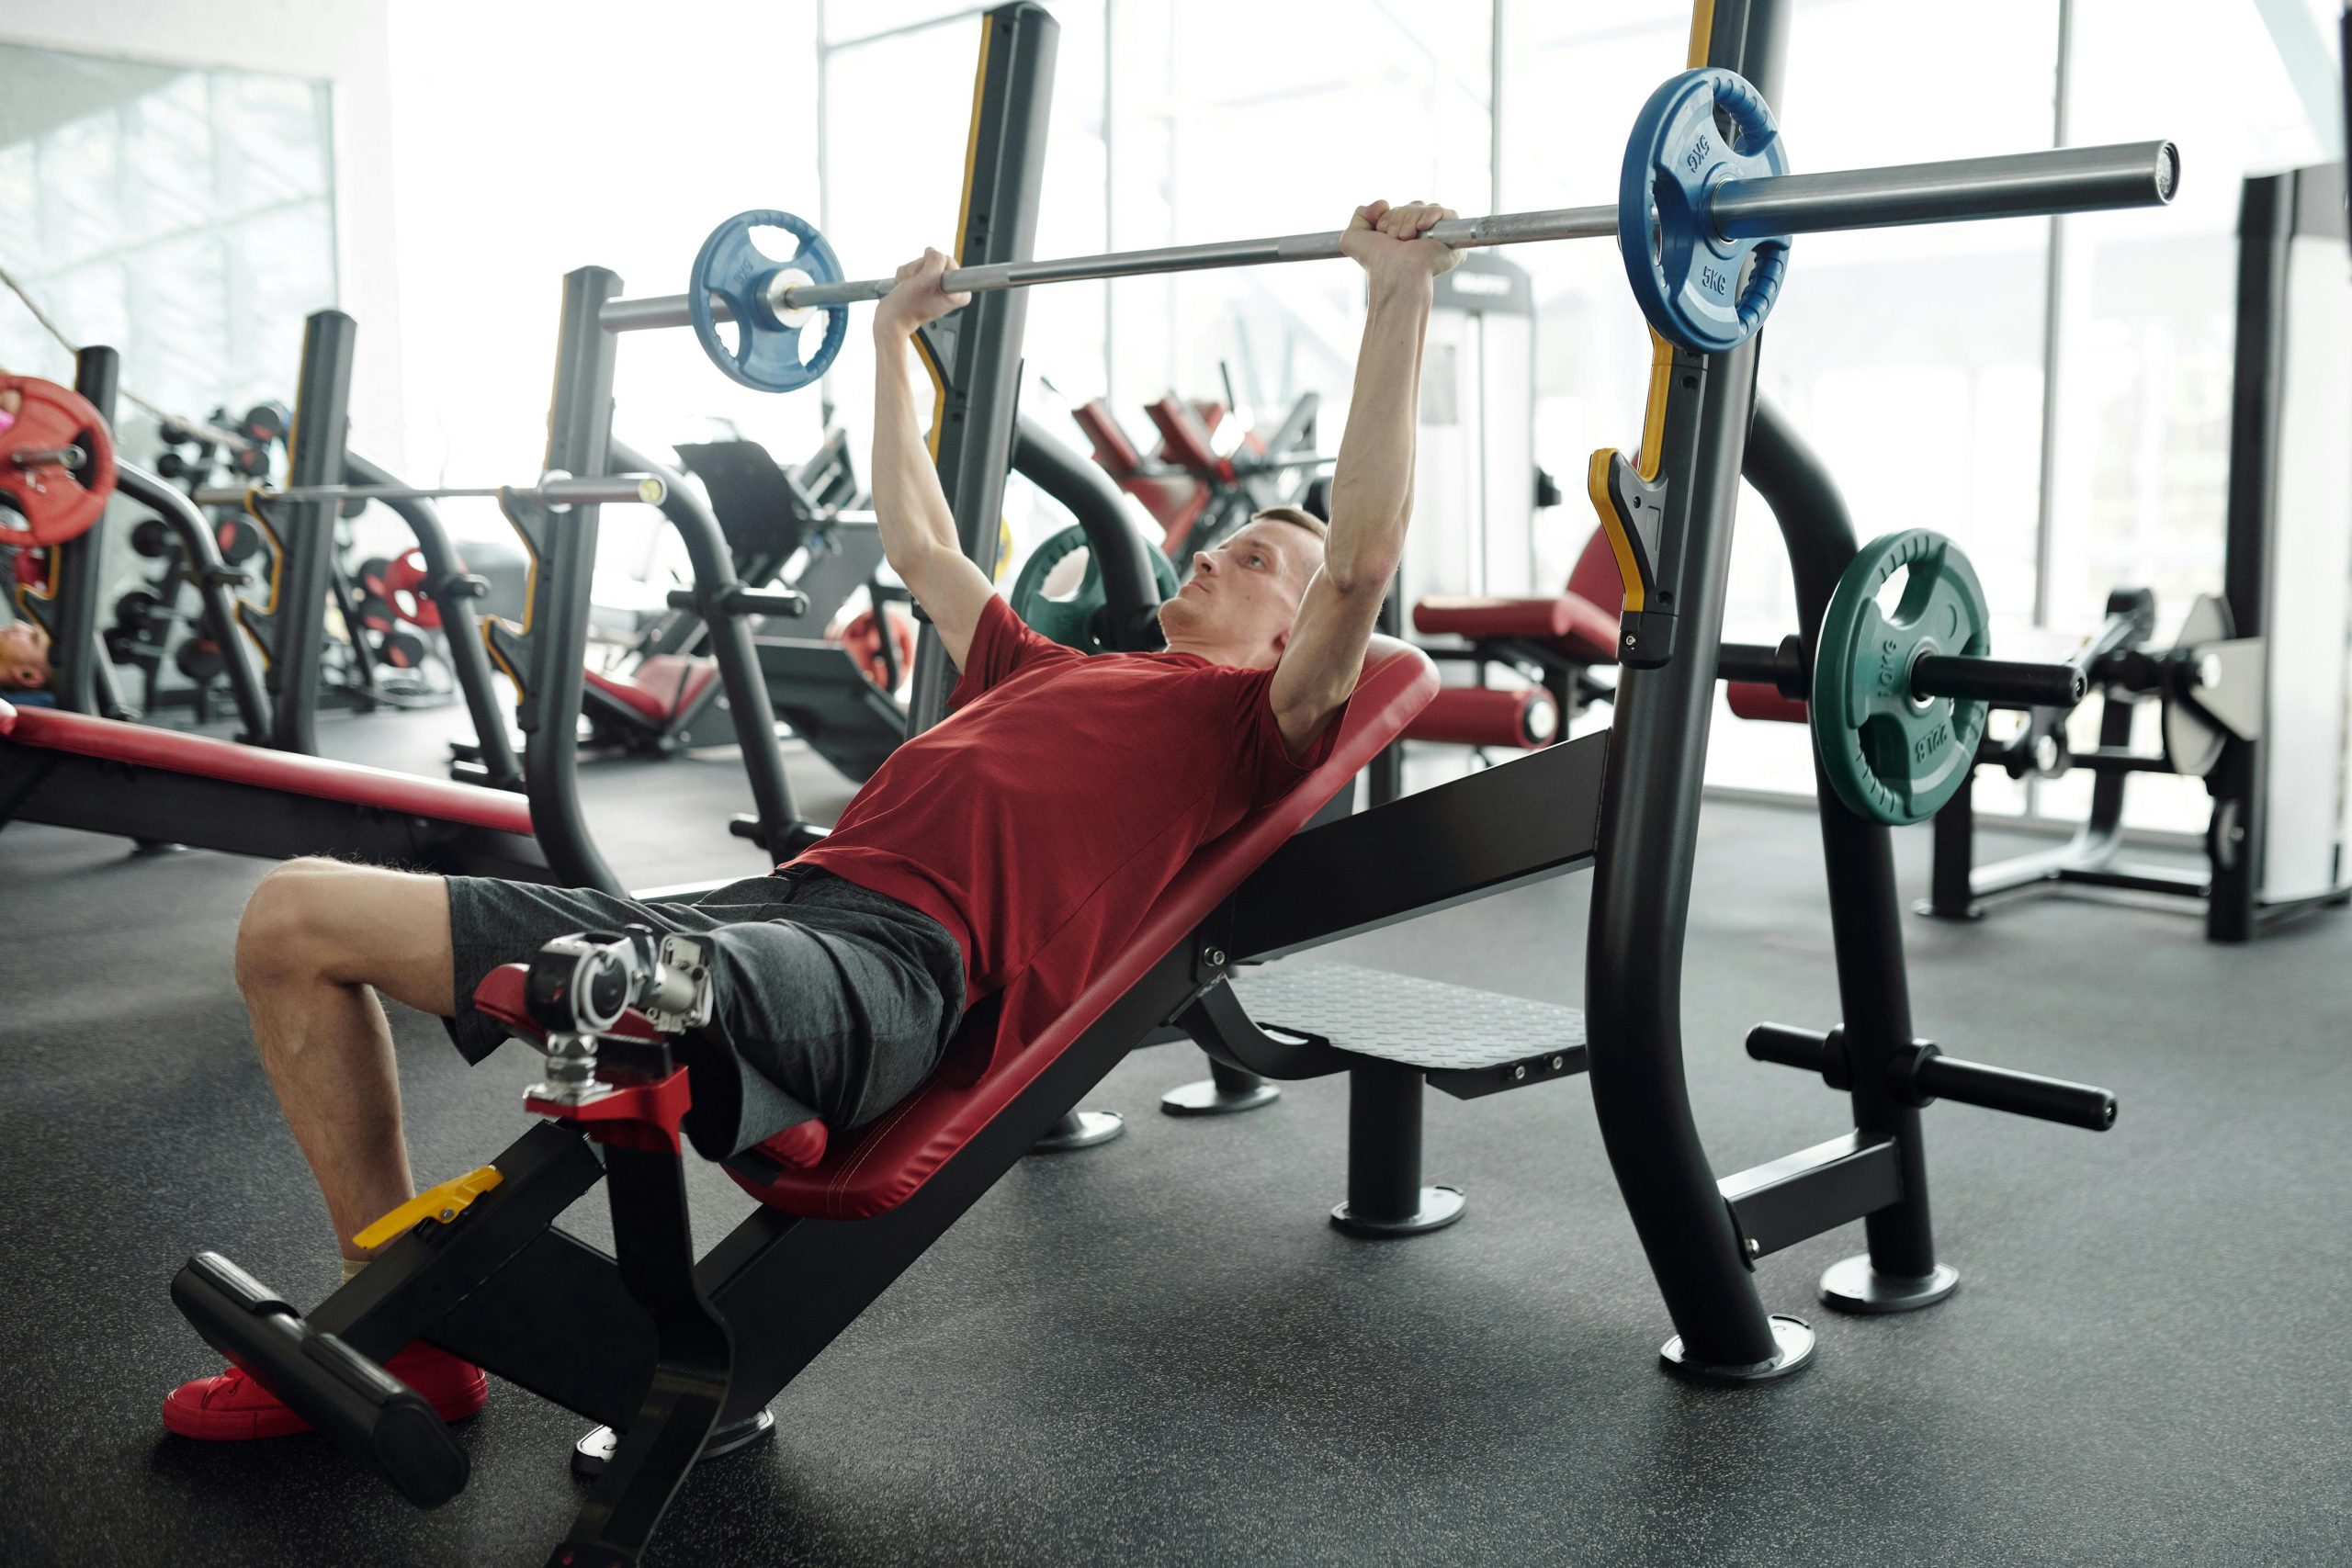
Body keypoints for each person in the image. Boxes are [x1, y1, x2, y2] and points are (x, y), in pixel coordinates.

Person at [163, 197, 1459, 1439]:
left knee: (631, 984)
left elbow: (1357, 559)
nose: (1213, 553)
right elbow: (921, 540)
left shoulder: (1246, 728)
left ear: (1292, 634)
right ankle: (411, 1334)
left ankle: (756, 1068)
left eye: (1251, 561)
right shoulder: (1047, 666)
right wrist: (893, 344)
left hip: (886, 970)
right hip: (764, 916)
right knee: (292, 918)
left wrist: (1394, 301)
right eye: (1224, 537)